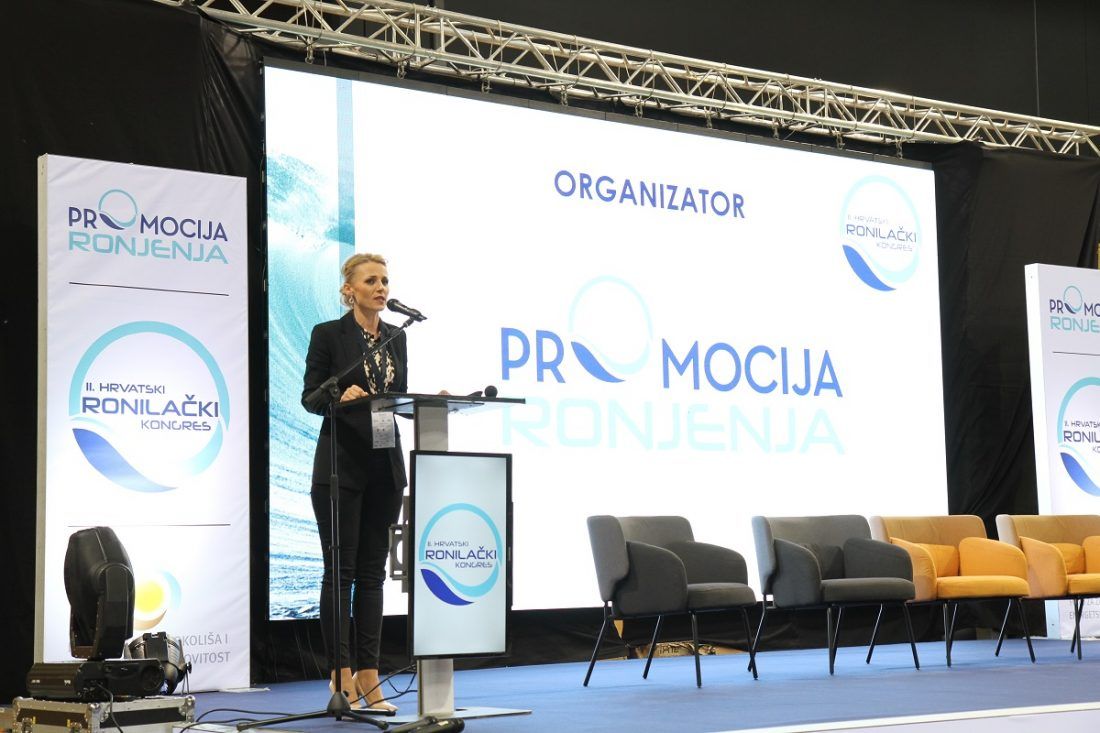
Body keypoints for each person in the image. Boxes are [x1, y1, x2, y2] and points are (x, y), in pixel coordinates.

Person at [301, 252, 407, 712]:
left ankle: (371, 677)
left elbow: (396, 397)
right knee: (340, 573)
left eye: (385, 281)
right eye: (371, 281)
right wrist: (338, 392)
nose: (381, 288)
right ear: (350, 290)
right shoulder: (328, 334)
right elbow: (309, 397)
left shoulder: (397, 337)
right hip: (341, 466)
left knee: (371, 576)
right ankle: (340, 676)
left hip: (385, 466)